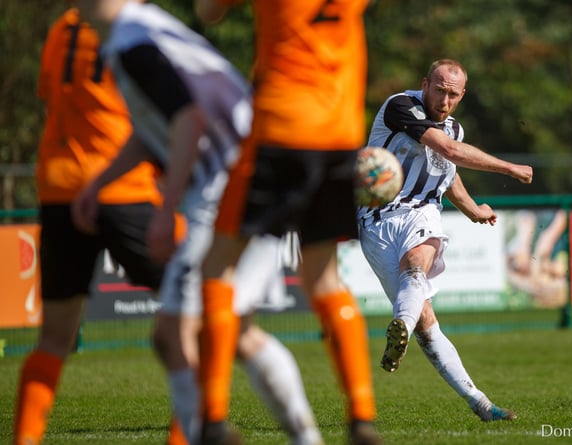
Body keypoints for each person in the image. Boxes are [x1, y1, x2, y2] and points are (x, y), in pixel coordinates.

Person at [71, 2, 323, 445]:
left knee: (172, 333)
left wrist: (166, 211)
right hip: (260, 172)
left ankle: (208, 432)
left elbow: (189, 120)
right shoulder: (143, 31)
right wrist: (100, 183)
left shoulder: (133, 42)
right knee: (235, 330)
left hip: (234, 184)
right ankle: (306, 439)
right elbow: (161, 128)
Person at [193, 1, 382, 444]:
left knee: (217, 267)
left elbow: (209, 12)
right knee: (323, 276)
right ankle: (361, 417)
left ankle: (213, 418)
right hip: (339, 134)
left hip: (281, 128)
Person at [13, 7, 165, 445]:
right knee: (189, 308)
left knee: (55, 337)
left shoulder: (61, 27)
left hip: (59, 187)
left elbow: (52, 96)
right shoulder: (137, 25)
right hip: (122, 186)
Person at [357, 59, 533, 421]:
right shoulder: (400, 106)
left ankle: (481, 404)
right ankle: (411, 332)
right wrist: (509, 168)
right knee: (425, 321)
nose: (445, 99)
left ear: (462, 95)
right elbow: (448, 151)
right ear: (425, 83)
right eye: (439, 89)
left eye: (453, 94)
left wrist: (472, 210)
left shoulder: (455, 128)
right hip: (377, 220)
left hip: (422, 213)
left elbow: (447, 172)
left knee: (418, 262)